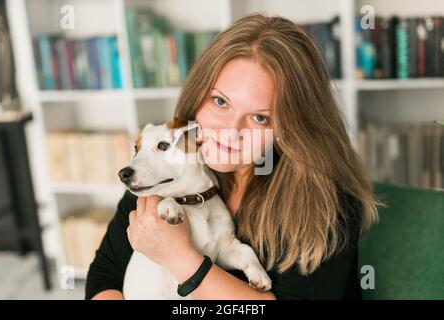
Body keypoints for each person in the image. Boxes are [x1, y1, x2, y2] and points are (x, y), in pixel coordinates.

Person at [85, 13, 379, 300]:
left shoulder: (328, 206)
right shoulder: (166, 169)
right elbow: (106, 275)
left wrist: (181, 259)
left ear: (291, 128)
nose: (230, 130)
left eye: (260, 118)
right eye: (220, 101)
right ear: (198, 94)